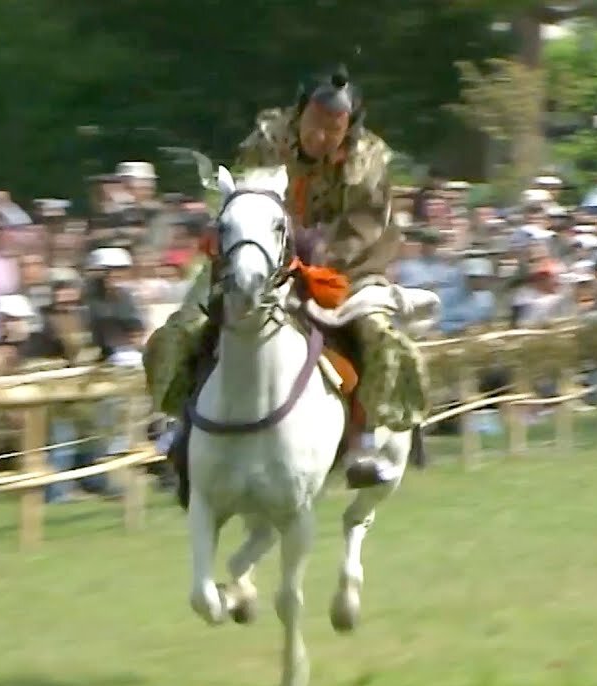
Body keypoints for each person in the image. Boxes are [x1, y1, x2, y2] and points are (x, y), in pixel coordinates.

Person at [144, 67, 428, 489]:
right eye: (315, 124)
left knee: (377, 334)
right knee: (185, 323)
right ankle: (177, 425)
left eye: (334, 129)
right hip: (260, 250)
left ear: (349, 128)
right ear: (300, 114)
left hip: (346, 263)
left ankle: (366, 441)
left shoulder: (368, 160)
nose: (321, 137)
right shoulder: (267, 138)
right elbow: (243, 193)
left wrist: (313, 259)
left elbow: (362, 229)